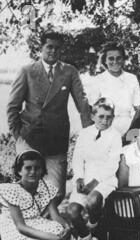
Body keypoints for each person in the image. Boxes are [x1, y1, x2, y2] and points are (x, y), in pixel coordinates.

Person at [6, 31, 92, 206]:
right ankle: (29, 228)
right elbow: (12, 107)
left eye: (57, 48)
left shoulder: (69, 71)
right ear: (41, 48)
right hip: (30, 138)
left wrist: (90, 135)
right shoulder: (27, 71)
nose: (53, 51)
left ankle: (44, 223)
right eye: (49, 47)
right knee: (27, 190)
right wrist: (19, 137)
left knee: (57, 193)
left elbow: (82, 104)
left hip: (56, 140)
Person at [0, 151, 99, 240]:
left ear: (43, 170)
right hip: (14, 229)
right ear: (19, 170)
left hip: (36, 223)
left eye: (37, 168)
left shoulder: (45, 187)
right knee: (45, 239)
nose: (33, 172)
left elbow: (56, 216)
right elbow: (21, 226)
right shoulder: (11, 190)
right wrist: (50, 237)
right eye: (28, 168)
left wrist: (66, 228)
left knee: (59, 230)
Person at [66, 97, 123, 240]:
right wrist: (79, 178)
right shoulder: (85, 133)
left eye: (109, 117)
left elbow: (112, 164)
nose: (105, 121)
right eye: (101, 116)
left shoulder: (115, 136)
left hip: (105, 179)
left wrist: (93, 184)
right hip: (85, 176)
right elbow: (77, 159)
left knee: (93, 200)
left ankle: (91, 228)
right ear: (93, 116)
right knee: (72, 211)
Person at [88, 41, 140, 137]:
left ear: (123, 60)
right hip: (105, 127)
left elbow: (138, 110)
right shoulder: (99, 80)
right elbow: (91, 109)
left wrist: (129, 134)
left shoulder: (131, 79)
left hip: (128, 127)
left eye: (119, 58)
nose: (115, 61)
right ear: (105, 60)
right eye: (111, 58)